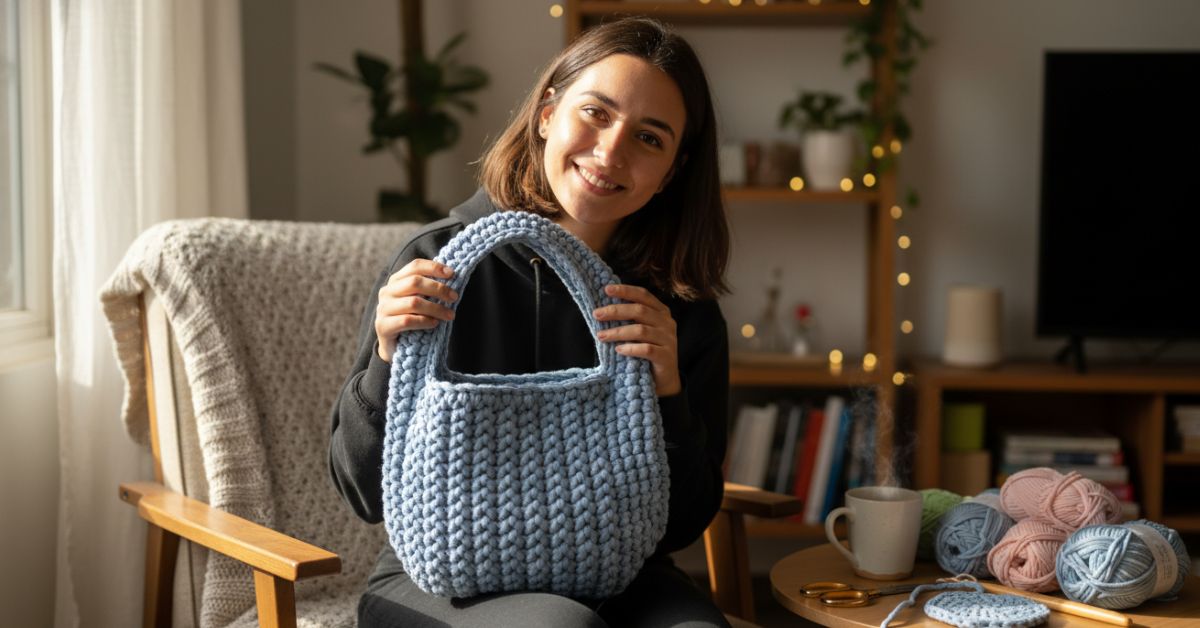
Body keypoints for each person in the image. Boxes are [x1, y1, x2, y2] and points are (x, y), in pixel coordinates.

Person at [329, 17, 732, 628]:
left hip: (622, 572)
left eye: (649, 138)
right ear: (547, 113)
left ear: (671, 170)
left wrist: (669, 392)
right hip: (443, 580)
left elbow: (681, 526)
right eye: (596, 112)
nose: (611, 150)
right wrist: (387, 359)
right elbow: (359, 491)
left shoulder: (676, 310)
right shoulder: (436, 268)